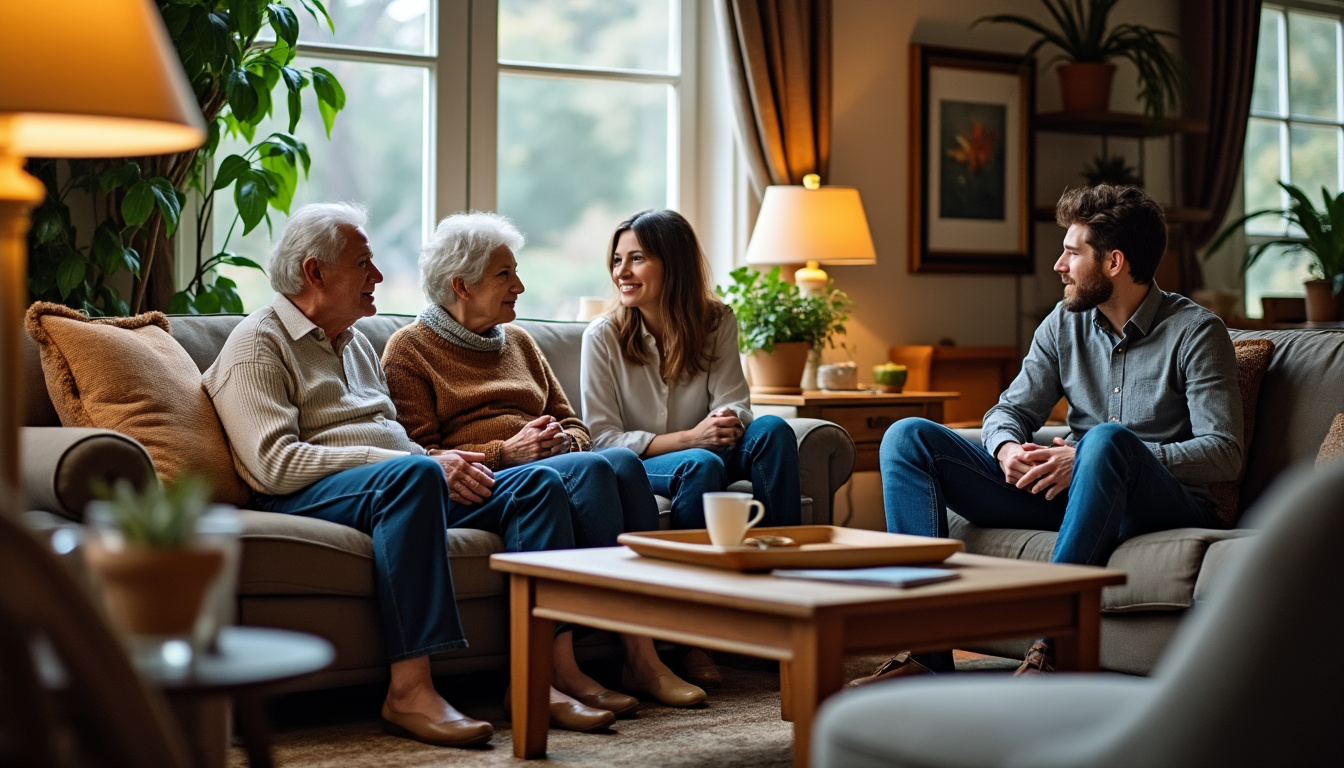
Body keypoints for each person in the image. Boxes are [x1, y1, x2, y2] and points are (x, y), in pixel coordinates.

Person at [203, 203, 617, 748]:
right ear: (315, 272)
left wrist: (449, 464)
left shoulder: (353, 344)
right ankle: (410, 691)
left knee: (538, 485)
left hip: (396, 482)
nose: (378, 276)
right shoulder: (259, 342)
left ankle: (534, 680)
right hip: (311, 492)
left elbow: (397, 438)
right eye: (364, 263)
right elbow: (274, 465)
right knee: (415, 478)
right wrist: (418, 464)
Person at [862, 184, 1243, 683]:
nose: (1059, 265)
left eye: (1071, 252)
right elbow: (1008, 410)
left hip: (1156, 503)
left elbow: (1224, 453)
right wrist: (1004, 449)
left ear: (1114, 262)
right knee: (907, 437)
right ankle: (925, 655)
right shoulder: (1064, 323)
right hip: (1071, 496)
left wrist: (1086, 455)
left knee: (1106, 441)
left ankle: (1050, 648)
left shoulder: (1196, 332)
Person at [382, 211, 706, 711]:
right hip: (485, 481)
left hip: (551, 464)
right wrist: (506, 452)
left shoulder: (520, 343)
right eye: (505, 275)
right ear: (461, 285)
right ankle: (584, 665)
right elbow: (418, 452)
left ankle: (641, 656)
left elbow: (574, 423)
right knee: (599, 468)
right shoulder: (409, 350)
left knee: (621, 461)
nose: (520, 286)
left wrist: (562, 443)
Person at [579, 208, 803, 687]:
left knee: (775, 432)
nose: (621, 271)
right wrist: (692, 438)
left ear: (673, 263)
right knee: (698, 463)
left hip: (713, 446)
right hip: (649, 463)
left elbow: (734, 403)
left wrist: (726, 420)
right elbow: (603, 439)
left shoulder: (716, 319)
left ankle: (780, 605)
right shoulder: (602, 337)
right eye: (617, 259)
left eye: (636, 258)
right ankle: (692, 636)